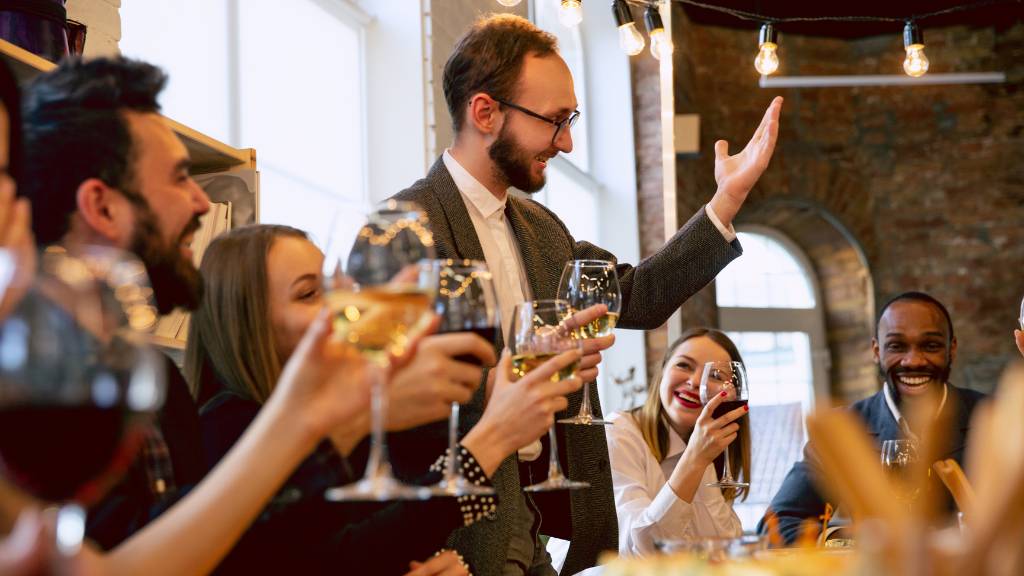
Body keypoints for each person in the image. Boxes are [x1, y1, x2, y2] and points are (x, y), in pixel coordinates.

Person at [392, 13, 782, 575]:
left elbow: (641, 296)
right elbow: (392, 396)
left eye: (570, 119)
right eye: (554, 121)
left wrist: (725, 203)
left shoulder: (541, 228)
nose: (567, 141)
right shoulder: (408, 228)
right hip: (454, 537)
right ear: (485, 112)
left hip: (537, 529)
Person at [186, 224, 585, 574]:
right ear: (248, 322)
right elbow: (328, 559)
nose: (346, 307)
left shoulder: (347, 427)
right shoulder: (227, 426)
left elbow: (387, 537)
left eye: (337, 287)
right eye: (310, 294)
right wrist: (493, 438)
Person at [760, 291, 987, 544]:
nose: (913, 361)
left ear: (951, 349)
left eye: (930, 346)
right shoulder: (845, 429)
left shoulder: (994, 419)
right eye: (897, 346)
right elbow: (776, 527)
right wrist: (861, 542)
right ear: (876, 351)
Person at [607, 328, 750, 557]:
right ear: (662, 371)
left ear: (733, 394)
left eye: (714, 375)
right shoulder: (619, 433)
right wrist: (693, 460)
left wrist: (701, 458)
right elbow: (641, 552)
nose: (695, 382)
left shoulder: (706, 448)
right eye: (684, 365)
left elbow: (724, 550)